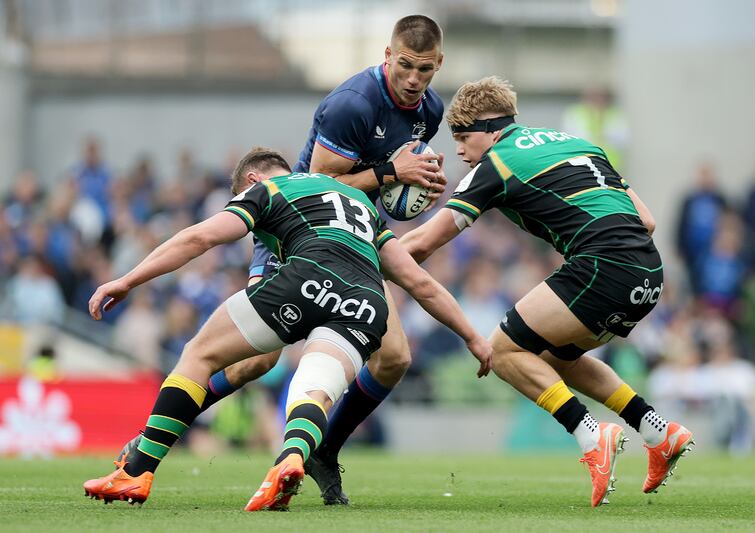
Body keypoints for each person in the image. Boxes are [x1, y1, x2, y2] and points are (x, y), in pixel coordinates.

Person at [116, 14, 449, 506]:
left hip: (355, 237)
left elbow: (390, 183)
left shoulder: (431, 109)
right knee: (258, 360)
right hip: (294, 231)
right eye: (405, 65)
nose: (414, 78)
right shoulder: (352, 105)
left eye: (424, 69)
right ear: (387, 55)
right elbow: (323, 184)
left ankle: (320, 451)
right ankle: (151, 441)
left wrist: (415, 182)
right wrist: (390, 171)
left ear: (438, 64)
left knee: (396, 356)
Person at [83, 147, 492, 511]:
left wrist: (127, 280)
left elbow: (201, 237)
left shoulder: (270, 190)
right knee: (313, 388)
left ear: (251, 180)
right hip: (368, 303)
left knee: (200, 354)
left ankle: (136, 470)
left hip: (306, 277)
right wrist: (473, 336)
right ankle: (292, 456)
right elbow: (419, 282)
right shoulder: (359, 204)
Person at [399, 77, 694, 507]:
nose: (460, 150)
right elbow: (646, 220)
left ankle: (591, 435)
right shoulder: (580, 144)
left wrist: (363, 255)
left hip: (603, 266)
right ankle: (658, 431)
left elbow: (423, 243)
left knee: (501, 351)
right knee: (556, 357)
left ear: (491, 129)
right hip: (648, 271)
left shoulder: (496, 164)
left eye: (463, 137)